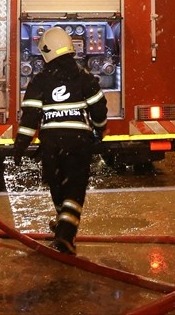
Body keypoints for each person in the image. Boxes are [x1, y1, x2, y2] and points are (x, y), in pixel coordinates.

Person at [12, 26, 108, 255]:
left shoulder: (39, 81)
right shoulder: (84, 77)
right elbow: (99, 108)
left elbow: (30, 119)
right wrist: (99, 131)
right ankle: (66, 234)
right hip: (78, 143)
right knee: (75, 188)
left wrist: (19, 147)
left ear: (46, 52)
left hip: (51, 145)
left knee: (58, 185)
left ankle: (62, 226)